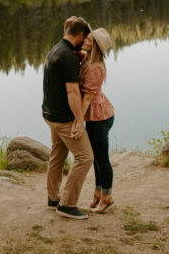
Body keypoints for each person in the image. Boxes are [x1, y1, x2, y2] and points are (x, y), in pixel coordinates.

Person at [42, 16, 94, 220]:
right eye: (86, 37)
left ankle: (53, 199)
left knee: (58, 155)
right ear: (81, 35)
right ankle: (67, 204)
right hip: (63, 119)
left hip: (50, 114)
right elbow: (73, 92)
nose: (86, 42)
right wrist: (79, 121)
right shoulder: (69, 58)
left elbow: (68, 36)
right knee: (84, 157)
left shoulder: (57, 49)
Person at [79, 27, 115, 213]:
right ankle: (98, 192)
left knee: (102, 159)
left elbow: (87, 98)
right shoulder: (90, 60)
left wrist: (78, 122)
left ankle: (107, 196)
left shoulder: (94, 67)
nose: (84, 40)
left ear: (95, 46)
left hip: (99, 117)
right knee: (96, 159)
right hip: (98, 115)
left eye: (89, 39)